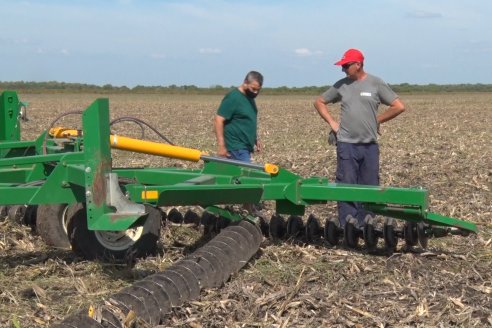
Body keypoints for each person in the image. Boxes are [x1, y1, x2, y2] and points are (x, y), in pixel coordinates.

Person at [314, 48, 405, 229]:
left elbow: (398, 106)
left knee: (369, 186)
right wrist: (332, 123)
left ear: (358, 64)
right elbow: (319, 102)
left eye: (346, 66)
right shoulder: (341, 85)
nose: (343, 70)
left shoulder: (376, 84)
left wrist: (377, 120)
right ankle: (347, 225)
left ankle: (366, 226)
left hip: (369, 145)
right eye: (342, 66)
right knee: (346, 184)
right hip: (346, 145)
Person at [214, 71, 263, 163]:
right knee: (247, 175)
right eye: (253, 89)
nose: (255, 92)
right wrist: (221, 146)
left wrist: (255, 138)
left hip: (244, 148)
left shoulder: (249, 98)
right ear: (245, 82)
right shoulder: (234, 97)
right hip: (235, 147)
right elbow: (218, 120)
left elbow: (247, 119)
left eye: (258, 90)